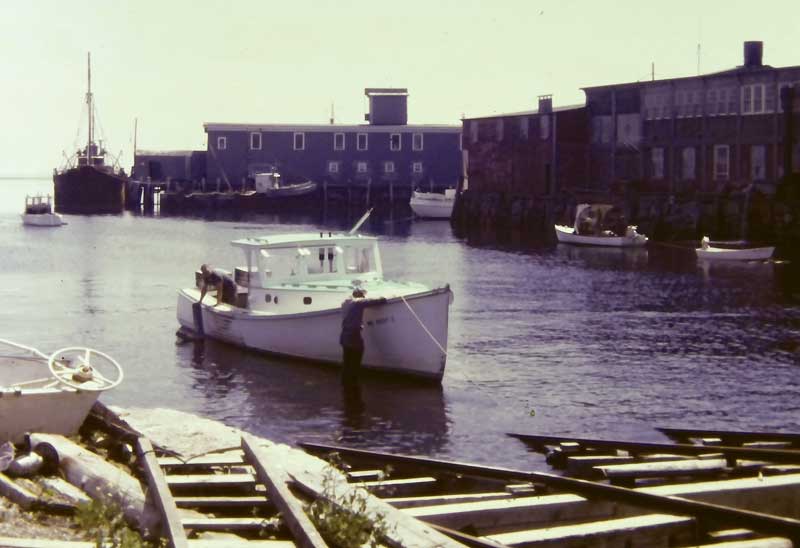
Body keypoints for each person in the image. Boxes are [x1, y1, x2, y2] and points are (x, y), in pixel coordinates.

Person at [339, 288, 387, 380]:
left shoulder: (345, 303)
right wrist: (383, 298)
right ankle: (353, 383)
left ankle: (346, 383)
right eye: (363, 296)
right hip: (353, 335)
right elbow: (376, 301)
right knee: (356, 359)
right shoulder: (357, 302)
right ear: (360, 296)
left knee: (347, 361)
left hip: (344, 336)